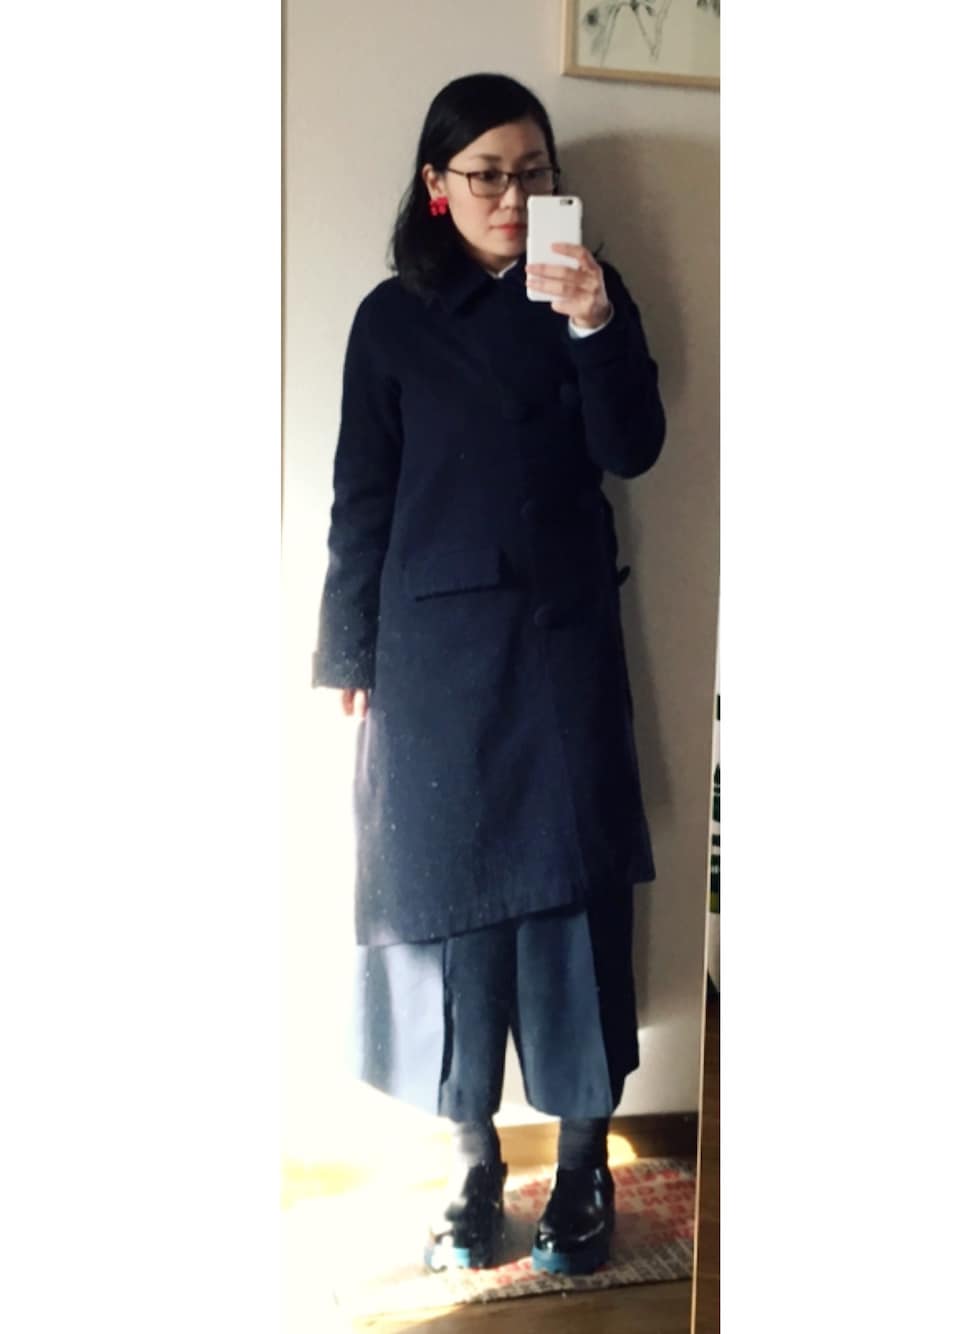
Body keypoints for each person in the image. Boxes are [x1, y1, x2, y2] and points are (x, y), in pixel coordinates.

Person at [313, 72, 666, 1276]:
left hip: (561, 649)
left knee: (573, 908)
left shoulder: (587, 290)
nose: (513, 196)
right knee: (446, 913)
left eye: (532, 172)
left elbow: (634, 447)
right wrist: (346, 649)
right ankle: (471, 1165)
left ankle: (581, 1167)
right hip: (430, 665)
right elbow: (360, 494)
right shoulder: (389, 319)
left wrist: (595, 324)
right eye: (486, 174)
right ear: (437, 184)